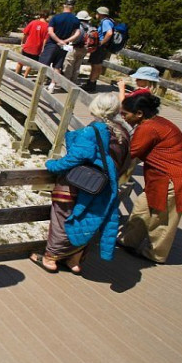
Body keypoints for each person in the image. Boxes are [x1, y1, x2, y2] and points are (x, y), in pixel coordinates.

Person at [30, 93, 129, 274]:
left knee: (62, 219)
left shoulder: (92, 131)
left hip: (78, 184)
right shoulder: (122, 133)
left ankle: (50, 258)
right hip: (103, 187)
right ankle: (74, 259)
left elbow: (75, 158)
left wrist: (52, 164)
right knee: (89, 220)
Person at [117, 93, 182, 263]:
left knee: (162, 218)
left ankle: (155, 254)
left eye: (125, 114)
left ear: (139, 113)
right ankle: (128, 241)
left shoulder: (148, 128)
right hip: (160, 176)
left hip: (173, 178)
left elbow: (131, 152)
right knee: (143, 208)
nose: (123, 117)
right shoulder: (156, 123)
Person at [39, 0, 82, 93]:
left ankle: (40, 83)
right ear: (73, 7)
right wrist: (65, 41)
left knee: (44, 63)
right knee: (57, 66)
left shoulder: (56, 17)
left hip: (52, 43)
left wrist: (58, 40)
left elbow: (50, 31)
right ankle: (52, 86)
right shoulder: (75, 20)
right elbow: (77, 33)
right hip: (63, 46)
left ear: (64, 6)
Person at [82, 6, 114, 93]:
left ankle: (91, 84)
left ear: (101, 14)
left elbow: (109, 33)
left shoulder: (106, 22)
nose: (96, 14)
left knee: (96, 65)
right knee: (96, 65)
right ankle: (91, 82)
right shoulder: (109, 21)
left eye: (97, 13)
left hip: (100, 47)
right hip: (103, 48)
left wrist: (101, 42)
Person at [61, 10, 92, 86]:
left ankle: (66, 84)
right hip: (84, 49)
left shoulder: (77, 26)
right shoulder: (90, 27)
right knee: (77, 66)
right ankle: (73, 82)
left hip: (73, 47)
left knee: (69, 65)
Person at [15, 12, 50, 78]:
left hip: (28, 45)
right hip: (37, 48)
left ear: (40, 16)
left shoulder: (33, 22)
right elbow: (45, 39)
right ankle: (25, 76)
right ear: (47, 17)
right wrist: (43, 48)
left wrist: (23, 42)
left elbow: (25, 33)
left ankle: (16, 75)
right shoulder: (47, 26)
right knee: (31, 64)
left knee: (21, 61)